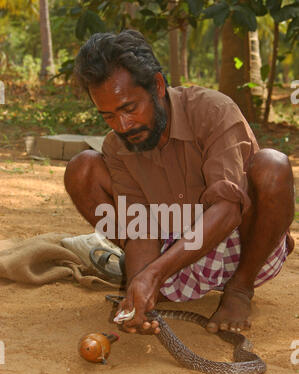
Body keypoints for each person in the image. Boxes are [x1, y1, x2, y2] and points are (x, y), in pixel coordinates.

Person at [64, 30, 295, 336]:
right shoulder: (118, 146)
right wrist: (140, 286)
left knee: (272, 166)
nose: (122, 125)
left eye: (129, 109)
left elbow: (227, 209)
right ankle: (151, 289)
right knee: (81, 168)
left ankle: (239, 290)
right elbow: (140, 228)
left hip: (241, 242)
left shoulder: (212, 111)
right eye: (108, 116)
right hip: (177, 250)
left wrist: (155, 274)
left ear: (157, 86)